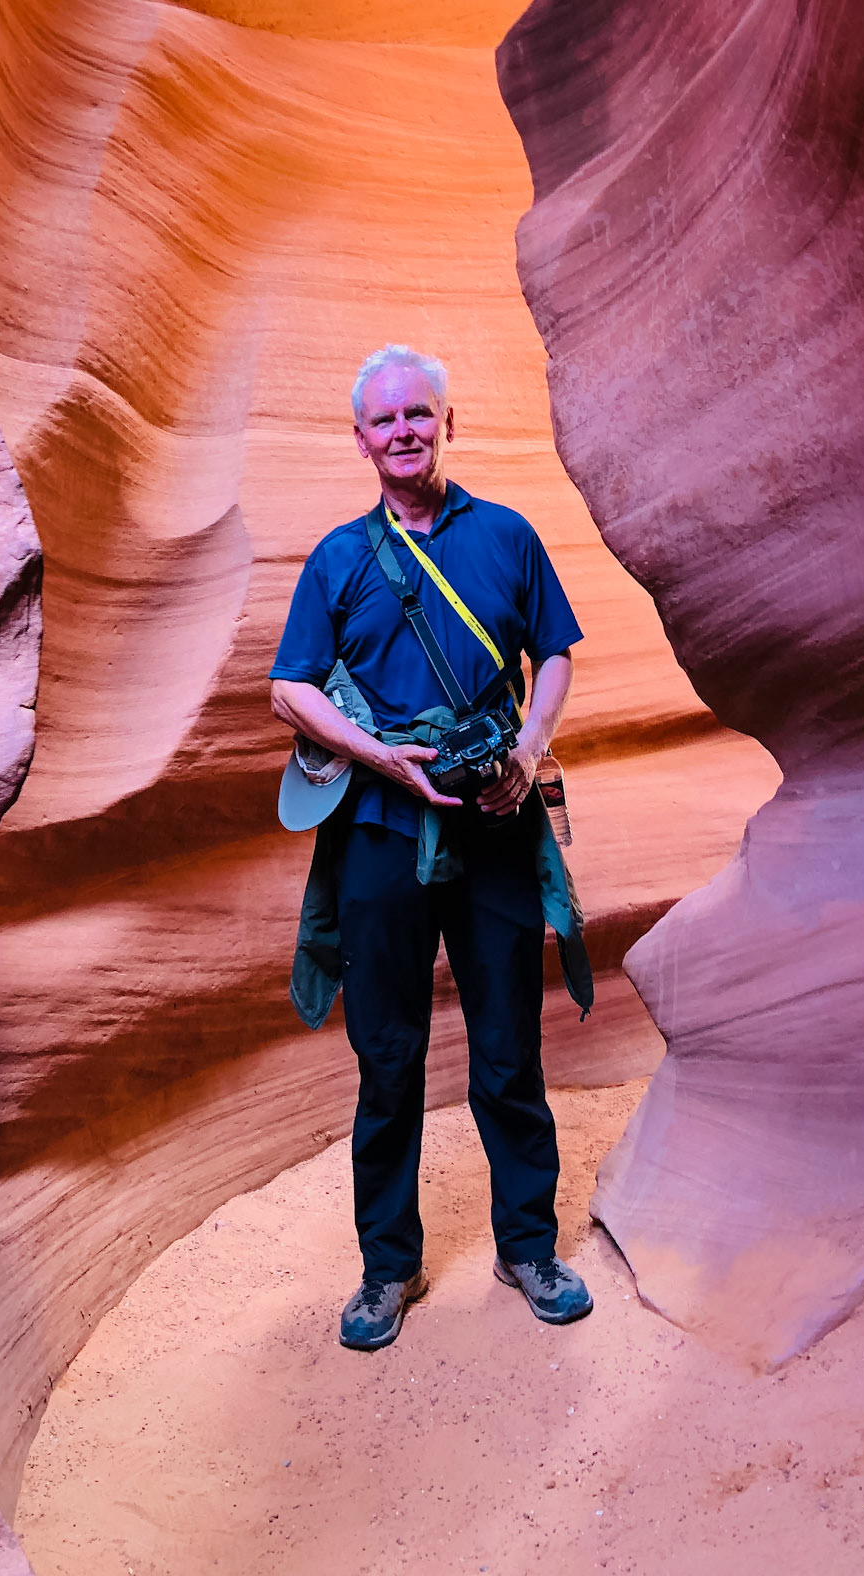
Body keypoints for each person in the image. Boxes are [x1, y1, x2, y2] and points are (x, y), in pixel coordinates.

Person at [270, 344, 594, 1351]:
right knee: (387, 1054)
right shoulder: (338, 558)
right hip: (380, 830)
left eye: (420, 413)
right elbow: (289, 686)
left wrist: (527, 752)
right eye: (385, 419)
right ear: (361, 439)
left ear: (448, 422)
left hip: (495, 824)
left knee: (508, 1045)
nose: (404, 431)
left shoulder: (507, 535)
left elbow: (556, 654)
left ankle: (527, 1246)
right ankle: (389, 1265)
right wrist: (380, 755)